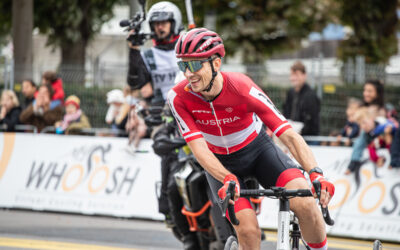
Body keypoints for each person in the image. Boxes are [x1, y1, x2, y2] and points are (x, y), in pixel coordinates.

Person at [167, 28, 335, 250]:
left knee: (305, 204)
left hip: (258, 153)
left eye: (195, 64)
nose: (188, 73)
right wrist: (227, 177)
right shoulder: (178, 98)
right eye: (183, 65)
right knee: (247, 230)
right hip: (219, 165)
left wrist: (315, 172)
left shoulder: (242, 88)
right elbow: (199, 150)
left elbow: (288, 135)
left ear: (216, 64)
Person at [283, 61, 320, 136]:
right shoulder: (291, 93)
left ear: (304, 75)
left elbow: (312, 120)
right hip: (293, 136)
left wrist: (301, 131)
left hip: (308, 138)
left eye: (296, 75)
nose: (293, 78)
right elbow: (286, 112)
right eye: (292, 75)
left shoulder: (311, 95)